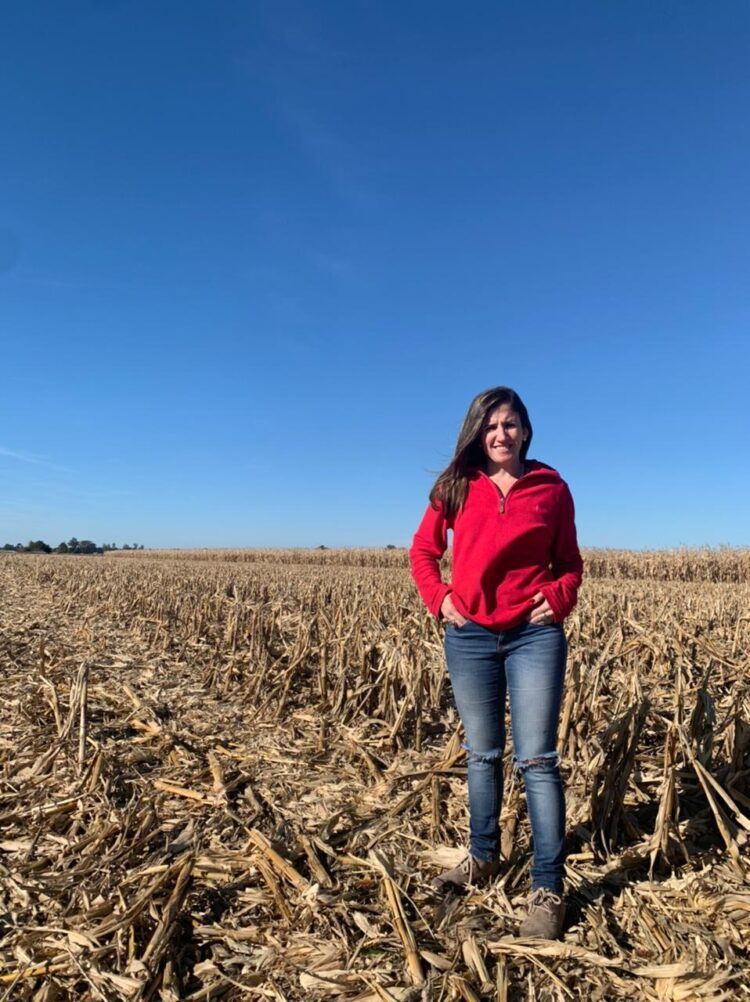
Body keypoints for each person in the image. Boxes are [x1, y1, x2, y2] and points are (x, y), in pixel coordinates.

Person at [408, 385, 583, 940]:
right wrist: (440, 598)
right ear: (478, 433)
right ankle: (483, 855)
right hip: (470, 637)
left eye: (509, 424)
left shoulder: (552, 488)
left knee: (538, 760)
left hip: (534, 637)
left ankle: (548, 888)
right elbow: (422, 551)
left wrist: (558, 597)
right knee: (482, 754)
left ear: (525, 430)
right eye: (490, 426)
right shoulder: (457, 486)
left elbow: (570, 564)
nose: (500, 434)